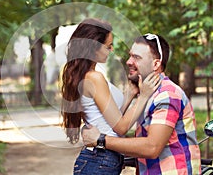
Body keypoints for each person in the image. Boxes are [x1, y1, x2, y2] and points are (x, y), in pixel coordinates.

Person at [81, 33, 201, 175]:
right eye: (130, 55)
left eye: (136, 57)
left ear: (156, 64)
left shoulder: (167, 95)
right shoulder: (149, 93)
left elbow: (152, 147)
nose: (129, 62)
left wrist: (101, 140)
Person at [60, 18, 161, 175]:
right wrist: (143, 97)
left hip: (100, 159)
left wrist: (130, 94)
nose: (112, 49)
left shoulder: (89, 76)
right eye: (108, 46)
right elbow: (120, 127)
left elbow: (110, 119)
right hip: (99, 160)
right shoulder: (94, 78)